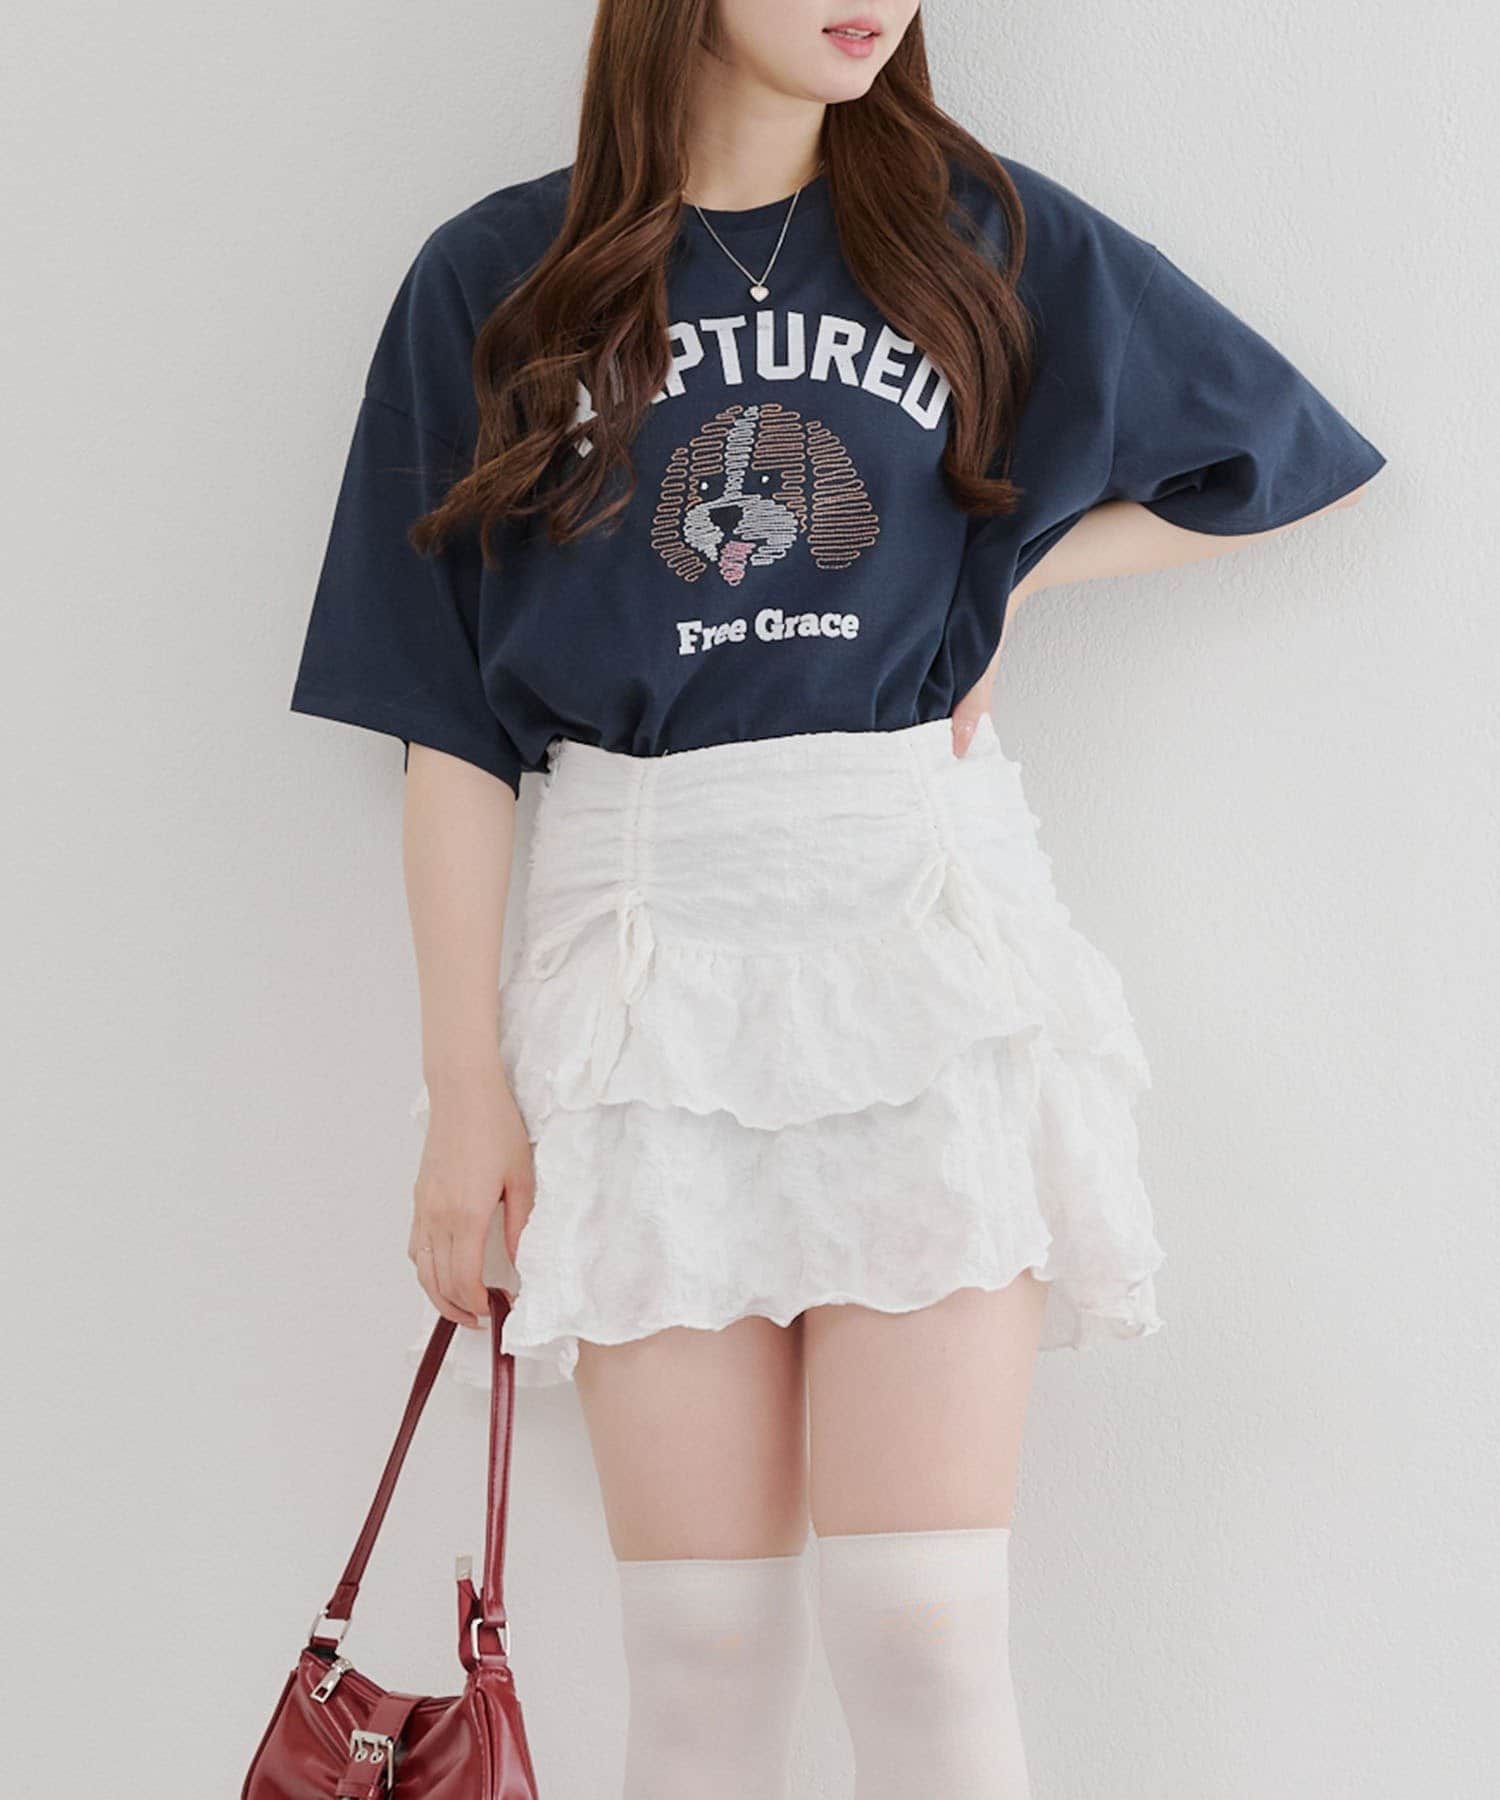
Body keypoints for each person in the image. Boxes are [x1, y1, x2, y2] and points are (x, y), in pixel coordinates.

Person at [288, 3, 1387, 1794]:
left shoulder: (973, 235)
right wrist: (461, 1092)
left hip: (913, 937)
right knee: (702, 1656)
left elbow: (1280, 458)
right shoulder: (499, 277)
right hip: (637, 960)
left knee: (923, 1631)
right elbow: (444, 723)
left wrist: (1012, 579)